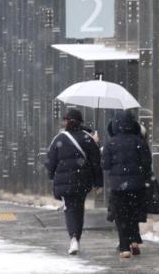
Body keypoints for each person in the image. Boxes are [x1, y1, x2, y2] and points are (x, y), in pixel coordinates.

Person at [45, 108, 103, 255]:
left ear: (67, 122)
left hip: (64, 182)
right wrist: (98, 183)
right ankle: (76, 237)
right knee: (79, 209)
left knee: (70, 208)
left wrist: (52, 175)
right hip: (82, 181)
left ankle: (73, 238)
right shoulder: (88, 139)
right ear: (80, 122)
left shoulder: (59, 139)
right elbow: (96, 162)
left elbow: (50, 162)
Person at [102, 111, 152, 258]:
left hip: (118, 187)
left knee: (121, 216)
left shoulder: (110, 143)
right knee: (132, 214)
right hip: (137, 185)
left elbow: (105, 165)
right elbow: (147, 163)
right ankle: (134, 241)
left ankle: (124, 247)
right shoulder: (139, 142)